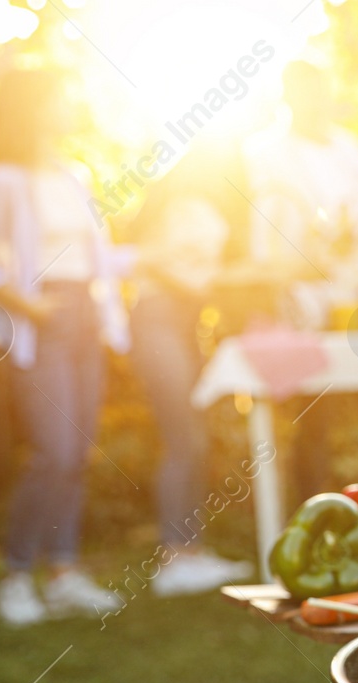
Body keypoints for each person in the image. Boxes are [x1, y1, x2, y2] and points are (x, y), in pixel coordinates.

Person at [0, 67, 126, 626]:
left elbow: (97, 257)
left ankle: (64, 573)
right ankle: (15, 576)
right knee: (52, 451)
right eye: (61, 94)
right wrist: (28, 306)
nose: (71, 102)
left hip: (84, 317)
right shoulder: (2, 180)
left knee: (77, 453)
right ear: (33, 106)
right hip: (43, 322)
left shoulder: (70, 174)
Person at [242, 60, 358, 498]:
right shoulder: (265, 152)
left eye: (321, 92)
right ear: (289, 97)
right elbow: (271, 227)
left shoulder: (349, 147)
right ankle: (314, 514)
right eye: (306, 93)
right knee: (316, 411)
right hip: (309, 299)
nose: (316, 102)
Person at [125, 141, 255, 595]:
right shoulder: (167, 211)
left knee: (195, 440)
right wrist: (225, 281)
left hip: (188, 327)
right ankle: (173, 557)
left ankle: (192, 550)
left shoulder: (204, 207)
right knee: (183, 439)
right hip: (159, 323)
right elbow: (150, 264)